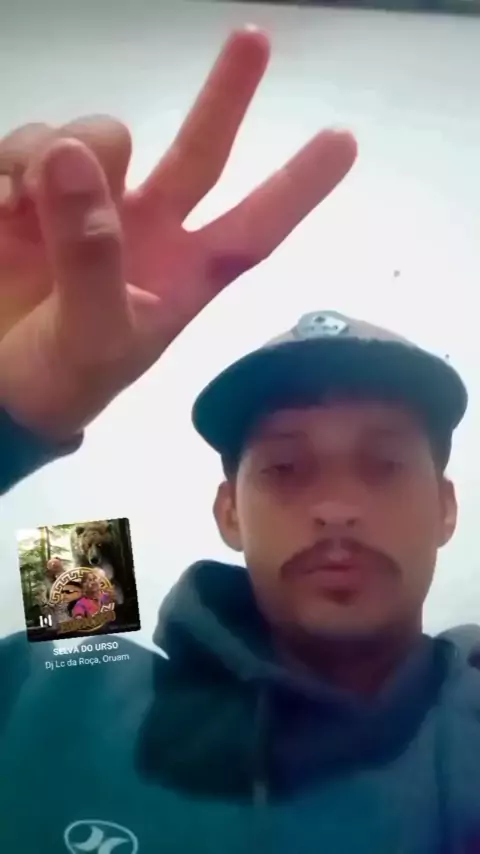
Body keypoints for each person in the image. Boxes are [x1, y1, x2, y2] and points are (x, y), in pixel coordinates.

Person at [0, 25, 478, 854]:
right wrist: (9, 418)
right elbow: (73, 627)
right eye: (286, 467)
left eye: (383, 465)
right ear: (228, 511)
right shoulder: (48, 693)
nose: (337, 507)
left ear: (445, 508)